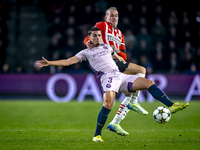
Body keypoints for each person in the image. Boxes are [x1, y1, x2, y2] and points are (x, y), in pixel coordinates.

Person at [35, 27, 189, 142]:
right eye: (94, 36)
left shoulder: (106, 47)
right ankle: (97, 135)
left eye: (99, 35)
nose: (97, 38)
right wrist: (49, 63)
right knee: (108, 104)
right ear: (89, 38)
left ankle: (171, 105)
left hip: (120, 75)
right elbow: (68, 62)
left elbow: (115, 56)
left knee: (148, 82)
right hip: (107, 78)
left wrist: (119, 57)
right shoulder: (85, 52)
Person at [83, 7, 148, 136]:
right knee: (139, 73)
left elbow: (124, 56)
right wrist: (88, 43)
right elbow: (87, 38)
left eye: (116, 15)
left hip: (117, 64)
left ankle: (116, 122)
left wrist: (116, 51)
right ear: (106, 18)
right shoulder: (102, 25)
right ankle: (131, 105)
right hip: (106, 65)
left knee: (129, 92)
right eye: (111, 15)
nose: (114, 18)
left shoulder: (120, 34)